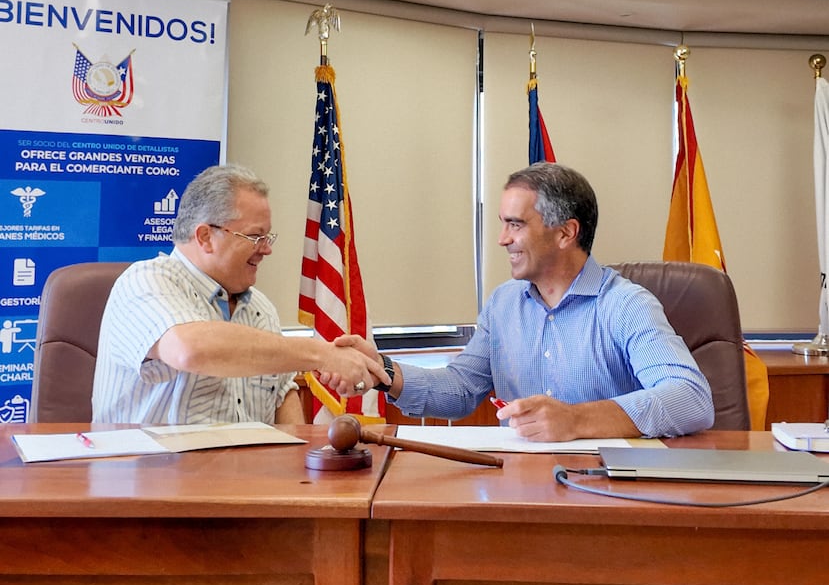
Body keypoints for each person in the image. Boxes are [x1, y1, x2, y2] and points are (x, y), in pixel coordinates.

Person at [324, 162, 715, 441]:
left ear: (566, 233)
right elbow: (461, 389)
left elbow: (690, 398)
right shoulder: (503, 304)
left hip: (606, 490)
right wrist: (384, 370)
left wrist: (576, 421)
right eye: (502, 223)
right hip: (518, 484)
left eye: (515, 224)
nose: (502, 239)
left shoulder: (626, 305)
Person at [92, 164, 386, 425]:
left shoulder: (261, 309)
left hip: (245, 480)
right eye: (255, 237)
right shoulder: (145, 281)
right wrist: (321, 354)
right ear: (206, 237)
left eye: (267, 237)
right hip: (150, 479)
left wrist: (297, 464)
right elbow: (191, 349)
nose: (267, 249)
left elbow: (282, 395)